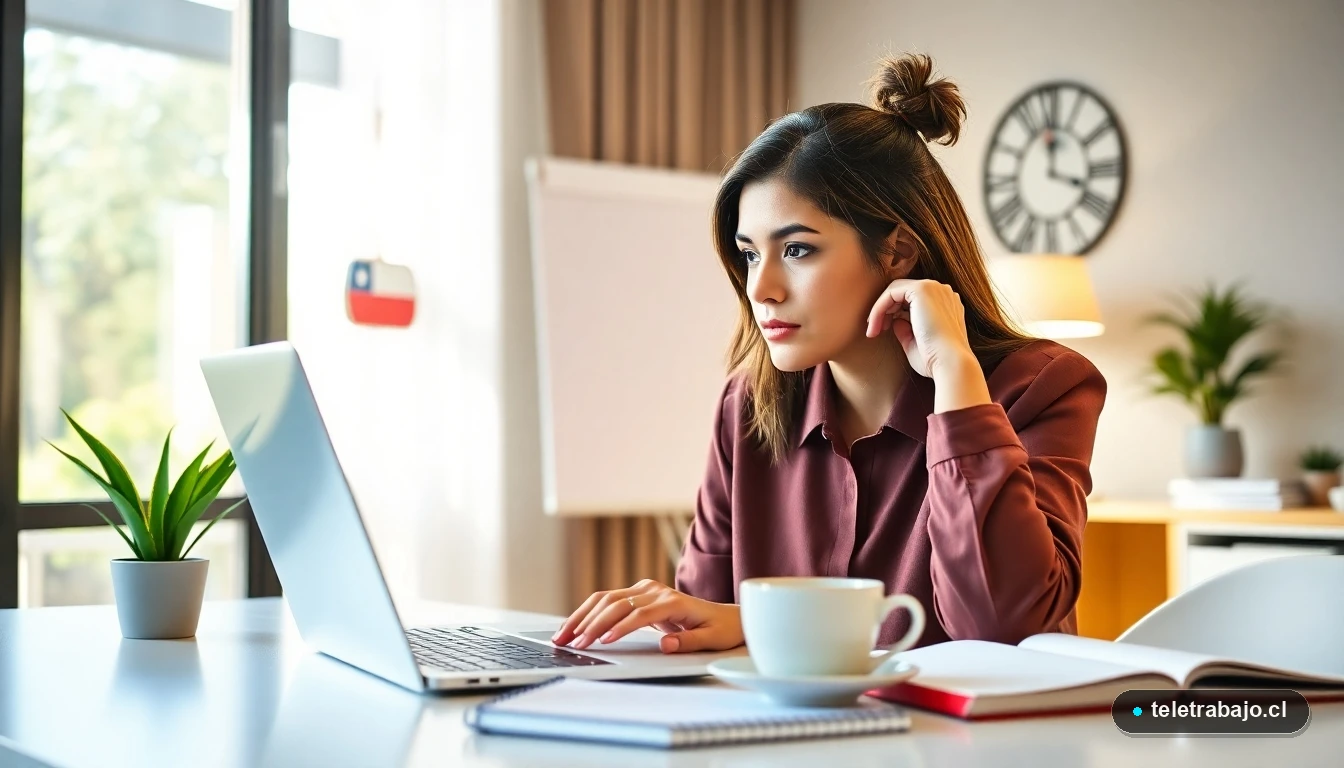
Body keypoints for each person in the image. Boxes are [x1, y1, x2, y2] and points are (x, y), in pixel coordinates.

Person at [552, 52, 1106, 655]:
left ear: (896, 253)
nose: (759, 287)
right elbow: (700, 631)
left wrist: (956, 378)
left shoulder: (1044, 387)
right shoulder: (749, 405)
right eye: (749, 253)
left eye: (796, 251)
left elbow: (1002, 631)